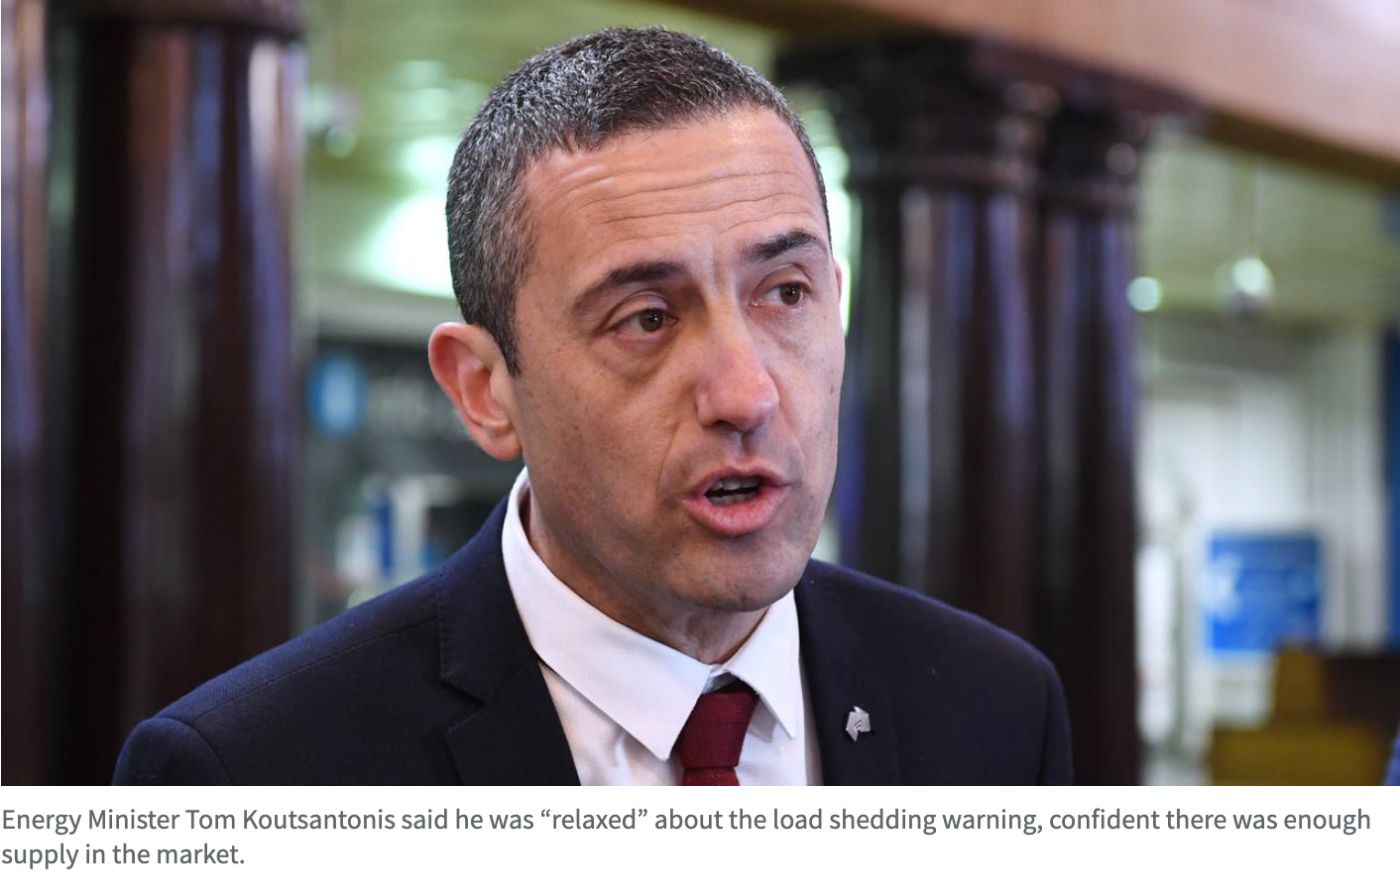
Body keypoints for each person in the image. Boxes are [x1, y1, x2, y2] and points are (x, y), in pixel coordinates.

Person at [114, 27, 1070, 785]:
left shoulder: (995, 709)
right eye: (646, 318)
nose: (745, 394)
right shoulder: (251, 773)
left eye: (786, 294)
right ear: (485, 390)